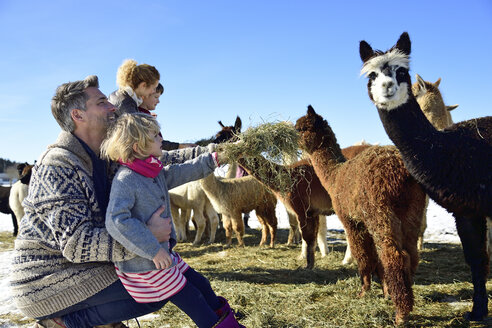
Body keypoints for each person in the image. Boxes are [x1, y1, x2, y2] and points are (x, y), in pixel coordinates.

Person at [8, 75, 219, 328]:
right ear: (78, 115)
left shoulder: (106, 156)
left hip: (83, 268)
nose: (112, 107)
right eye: (102, 102)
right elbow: (77, 243)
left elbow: (162, 162)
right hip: (46, 280)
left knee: (165, 277)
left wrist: (217, 153)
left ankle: (105, 320)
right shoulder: (58, 165)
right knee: (155, 286)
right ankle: (62, 322)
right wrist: (145, 237)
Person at [101, 113, 245, 328]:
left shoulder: (151, 171)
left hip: (163, 257)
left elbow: (183, 171)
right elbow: (116, 221)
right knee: (193, 300)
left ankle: (227, 320)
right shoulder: (127, 180)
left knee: (202, 286)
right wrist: (153, 249)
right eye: (155, 135)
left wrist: (215, 159)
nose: (161, 138)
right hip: (146, 265)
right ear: (139, 147)